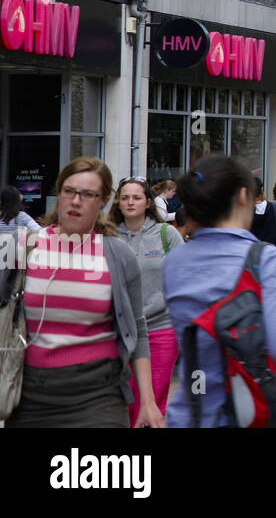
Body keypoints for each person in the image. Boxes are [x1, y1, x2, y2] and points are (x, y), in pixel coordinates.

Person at [7, 158, 163, 428]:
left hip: (99, 394)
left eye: (88, 194)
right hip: (31, 393)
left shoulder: (117, 253)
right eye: (69, 191)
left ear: (102, 201)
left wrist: (147, 402)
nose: (76, 201)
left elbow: (137, 327)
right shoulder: (25, 246)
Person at [163, 153, 276, 426]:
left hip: (190, 410)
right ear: (242, 196)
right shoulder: (262, 257)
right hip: (243, 410)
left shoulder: (175, 261)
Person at [110, 176, 184, 426]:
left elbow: (183, 277)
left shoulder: (167, 234)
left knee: (151, 400)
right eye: (125, 197)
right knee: (124, 401)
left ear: (148, 202)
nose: (130, 202)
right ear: (118, 202)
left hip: (160, 328)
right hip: (118, 331)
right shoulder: (107, 237)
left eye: (137, 197)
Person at [250, 178, 276, 253]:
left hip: (251, 254)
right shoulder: (273, 207)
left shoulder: (245, 211)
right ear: (262, 190)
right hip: (272, 253)